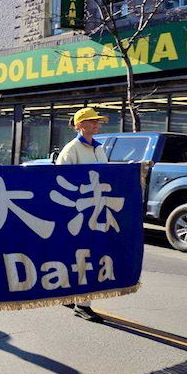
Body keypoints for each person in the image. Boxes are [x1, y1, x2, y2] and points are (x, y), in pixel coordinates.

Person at [56, 106, 109, 323]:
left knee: (88, 256)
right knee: (82, 257)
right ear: (80, 125)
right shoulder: (71, 150)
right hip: (77, 214)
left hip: (95, 211)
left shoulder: (99, 148)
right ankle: (82, 305)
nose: (96, 124)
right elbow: (59, 181)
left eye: (97, 121)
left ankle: (71, 297)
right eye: (92, 121)